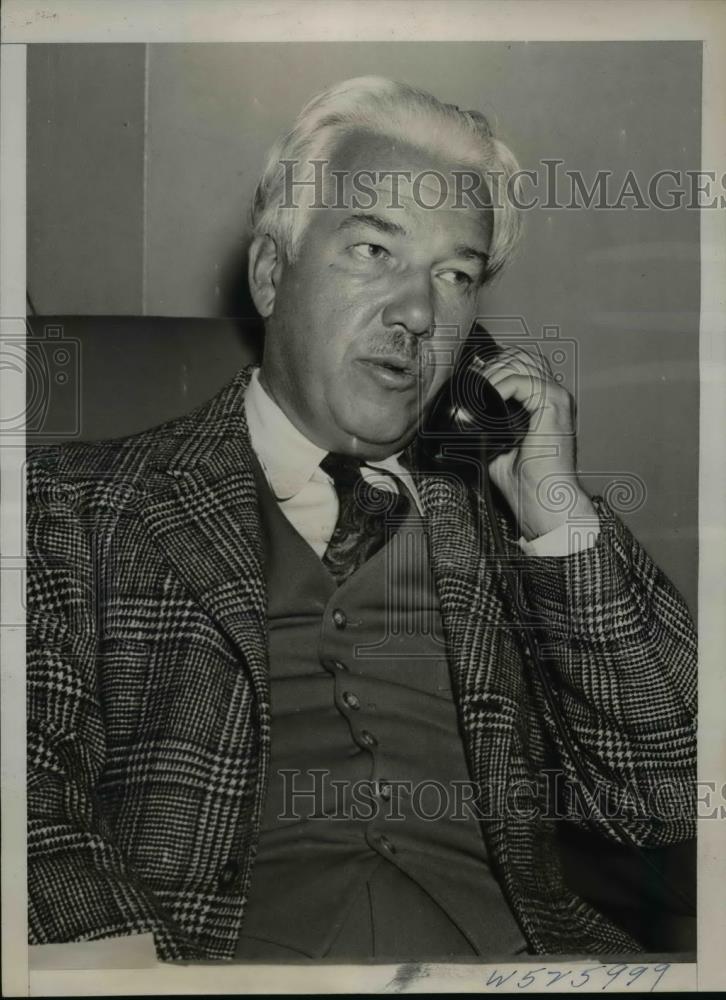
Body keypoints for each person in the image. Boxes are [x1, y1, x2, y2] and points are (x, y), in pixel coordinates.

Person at [26, 76, 697, 963]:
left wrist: (557, 518)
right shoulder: (73, 507)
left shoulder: (517, 529)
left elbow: (669, 792)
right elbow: (22, 790)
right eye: (375, 251)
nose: (419, 314)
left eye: (454, 274)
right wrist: (117, 967)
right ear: (272, 273)